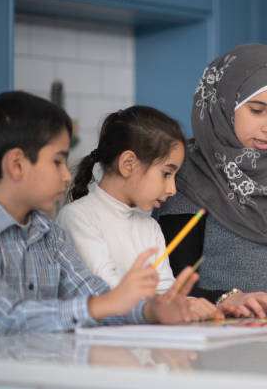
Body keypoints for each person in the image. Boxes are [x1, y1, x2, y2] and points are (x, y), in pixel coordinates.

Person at [0, 91, 219, 335]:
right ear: (17, 164)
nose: (66, 175)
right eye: (57, 162)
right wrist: (108, 303)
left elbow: (94, 294)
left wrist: (152, 311)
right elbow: (6, 316)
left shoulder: (50, 235)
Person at [157, 43, 267, 317]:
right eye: (256, 110)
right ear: (224, 105)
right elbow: (173, 286)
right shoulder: (188, 177)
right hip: (215, 349)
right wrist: (228, 299)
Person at [56, 106, 216, 319]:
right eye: (166, 174)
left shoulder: (150, 227)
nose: (172, 189)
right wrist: (161, 306)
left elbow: (165, 292)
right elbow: (107, 294)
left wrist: (193, 303)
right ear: (128, 164)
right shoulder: (77, 218)